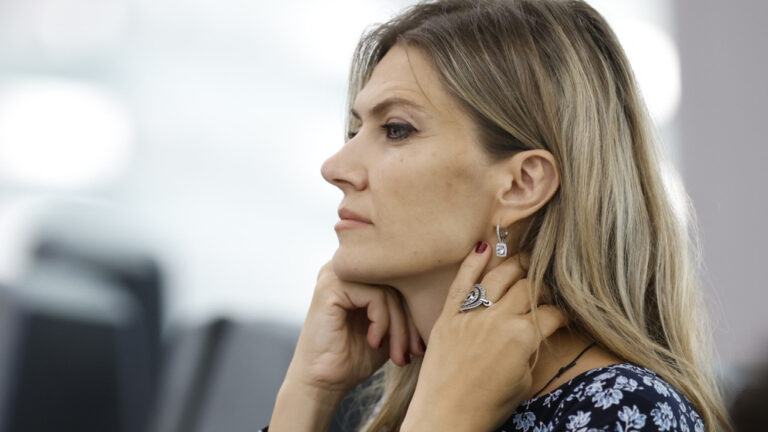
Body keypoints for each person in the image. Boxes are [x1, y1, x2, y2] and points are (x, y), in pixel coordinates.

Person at [263, 0, 732, 430]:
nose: (335, 168)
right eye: (354, 131)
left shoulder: (627, 413)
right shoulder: (391, 407)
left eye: (396, 129)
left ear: (522, 184)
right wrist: (307, 394)